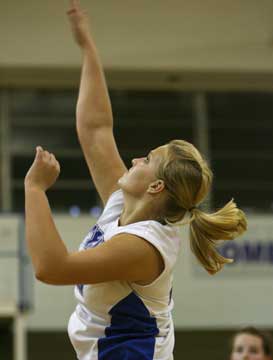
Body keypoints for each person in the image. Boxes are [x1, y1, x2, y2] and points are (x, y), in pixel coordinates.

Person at [24, 1, 247, 359]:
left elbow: (50, 268)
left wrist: (34, 190)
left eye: (148, 159)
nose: (135, 159)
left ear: (156, 186)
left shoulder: (143, 246)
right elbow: (95, 129)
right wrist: (88, 47)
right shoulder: (122, 207)